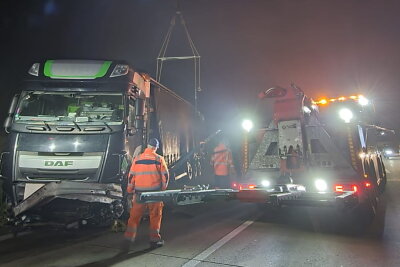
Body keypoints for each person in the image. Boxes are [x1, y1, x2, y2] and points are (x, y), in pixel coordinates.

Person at [123, 138, 169, 249]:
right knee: (155, 216)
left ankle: (129, 238)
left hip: (139, 193)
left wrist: (130, 190)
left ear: (147, 146)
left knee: (134, 217)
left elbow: (131, 176)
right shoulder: (159, 159)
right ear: (156, 148)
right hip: (154, 193)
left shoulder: (137, 159)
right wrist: (162, 189)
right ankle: (154, 239)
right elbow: (165, 176)